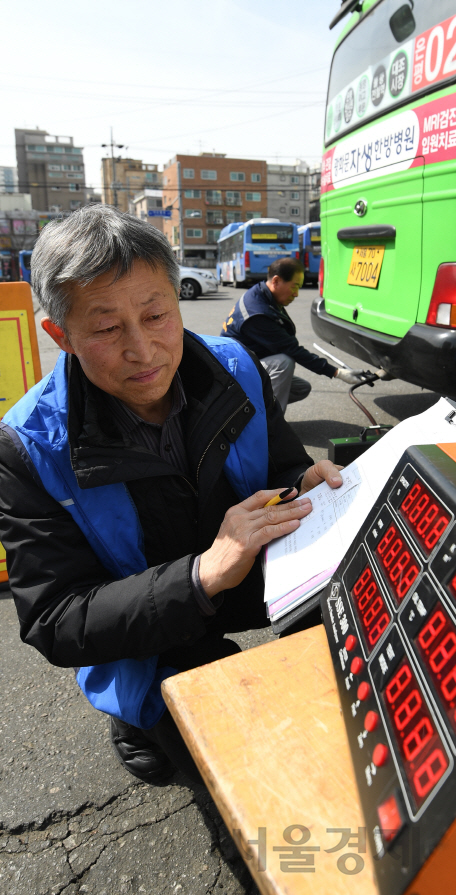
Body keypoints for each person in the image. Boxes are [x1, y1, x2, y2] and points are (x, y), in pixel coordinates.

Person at [0, 205, 345, 786]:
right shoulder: (27, 448)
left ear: (177, 302)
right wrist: (201, 575)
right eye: (107, 328)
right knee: (235, 760)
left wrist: (303, 486)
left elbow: (282, 467)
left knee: (358, 617)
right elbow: (58, 618)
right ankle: (140, 720)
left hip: (249, 576)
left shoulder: (236, 366)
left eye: (156, 314)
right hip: (148, 631)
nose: (143, 348)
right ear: (61, 335)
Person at [220, 257, 364, 410]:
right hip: (234, 375)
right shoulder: (258, 314)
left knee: (300, 388)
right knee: (283, 362)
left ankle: (252, 412)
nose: (296, 294)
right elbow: (292, 349)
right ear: (276, 281)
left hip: (246, 363)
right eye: (294, 287)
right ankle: (269, 427)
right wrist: (337, 372)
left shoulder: (261, 293)